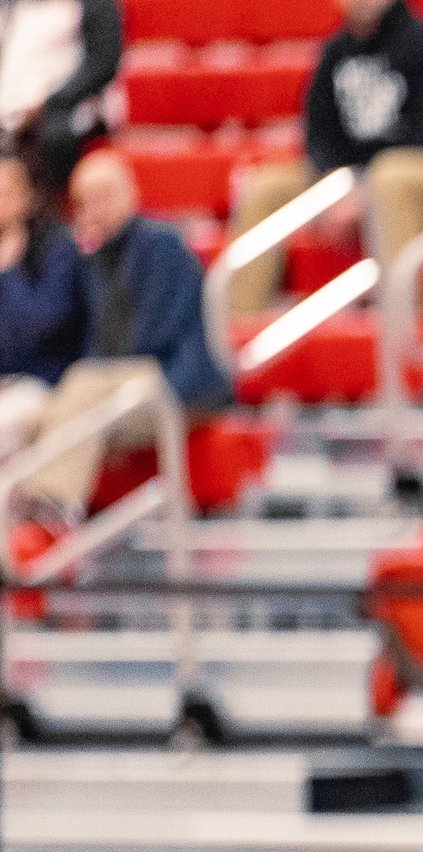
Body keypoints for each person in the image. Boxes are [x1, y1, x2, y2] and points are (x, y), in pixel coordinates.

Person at [15, 149, 228, 526]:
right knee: (31, 415)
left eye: (102, 197)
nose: (91, 211)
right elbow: (43, 327)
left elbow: (153, 340)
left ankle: (52, 504)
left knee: (83, 382)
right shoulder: (86, 257)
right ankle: (19, 515)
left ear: (130, 194)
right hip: (112, 387)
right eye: (83, 202)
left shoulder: (161, 245)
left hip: (175, 381)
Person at [227, 0, 423, 315]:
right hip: (357, 177)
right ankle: (236, 329)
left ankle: (397, 332)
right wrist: (338, 185)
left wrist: (362, 189)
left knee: (391, 177)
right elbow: (318, 135)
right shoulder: (335, 51)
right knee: (267, 185)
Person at [0, 146, 83, 459]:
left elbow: (40, 327)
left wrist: (9, 273)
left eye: (6, 194)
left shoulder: (55, 248)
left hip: (43, 384)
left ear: (26, 198)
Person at [0, 0, 119, 190]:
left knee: (55, 136)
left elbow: (102, 64)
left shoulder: (94, 6)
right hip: (11, 104)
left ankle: (53, 209)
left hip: (68, 105)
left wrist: (48, 102)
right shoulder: (11, 6)